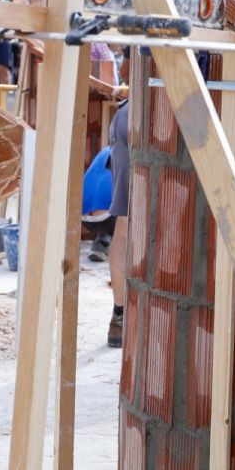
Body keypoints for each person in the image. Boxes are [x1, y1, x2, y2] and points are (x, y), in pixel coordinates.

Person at [106, 96, 131, 348]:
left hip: (128, 113)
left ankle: (120, 316)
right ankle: (126, 314)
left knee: (124, 221)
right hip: (154, 108)